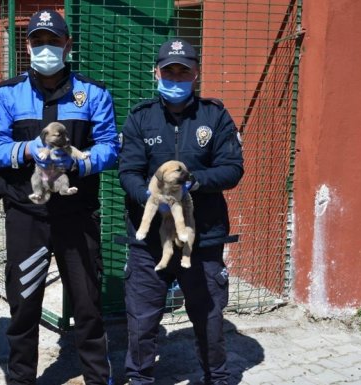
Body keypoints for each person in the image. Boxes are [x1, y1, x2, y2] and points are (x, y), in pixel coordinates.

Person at [0, 9, 120, 385]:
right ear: (27, 46)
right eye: (38, 41)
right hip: (27, 215)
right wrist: (27, 150)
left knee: (89, 304)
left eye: (53, 41)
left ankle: (97, 377)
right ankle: (22, 379)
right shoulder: (7, 92)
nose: (46, 48)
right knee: (24, 305)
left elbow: (110, 147)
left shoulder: (93, 93)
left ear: (68, 45)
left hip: (77, 214)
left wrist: (78, 163)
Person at [118, 38, 244, 385]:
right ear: (156, 73)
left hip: (201, 237)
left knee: (208, 318)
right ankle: (140, 379)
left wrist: (195, 182)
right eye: (169, 71)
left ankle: (216, 378)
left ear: (195, 74)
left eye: (183, 72)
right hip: (150, 243)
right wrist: (150, 197)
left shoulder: (214, 116)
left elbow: (232, 168)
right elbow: (127, 170)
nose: (175, 78)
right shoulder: (140, 118)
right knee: (142, 319)